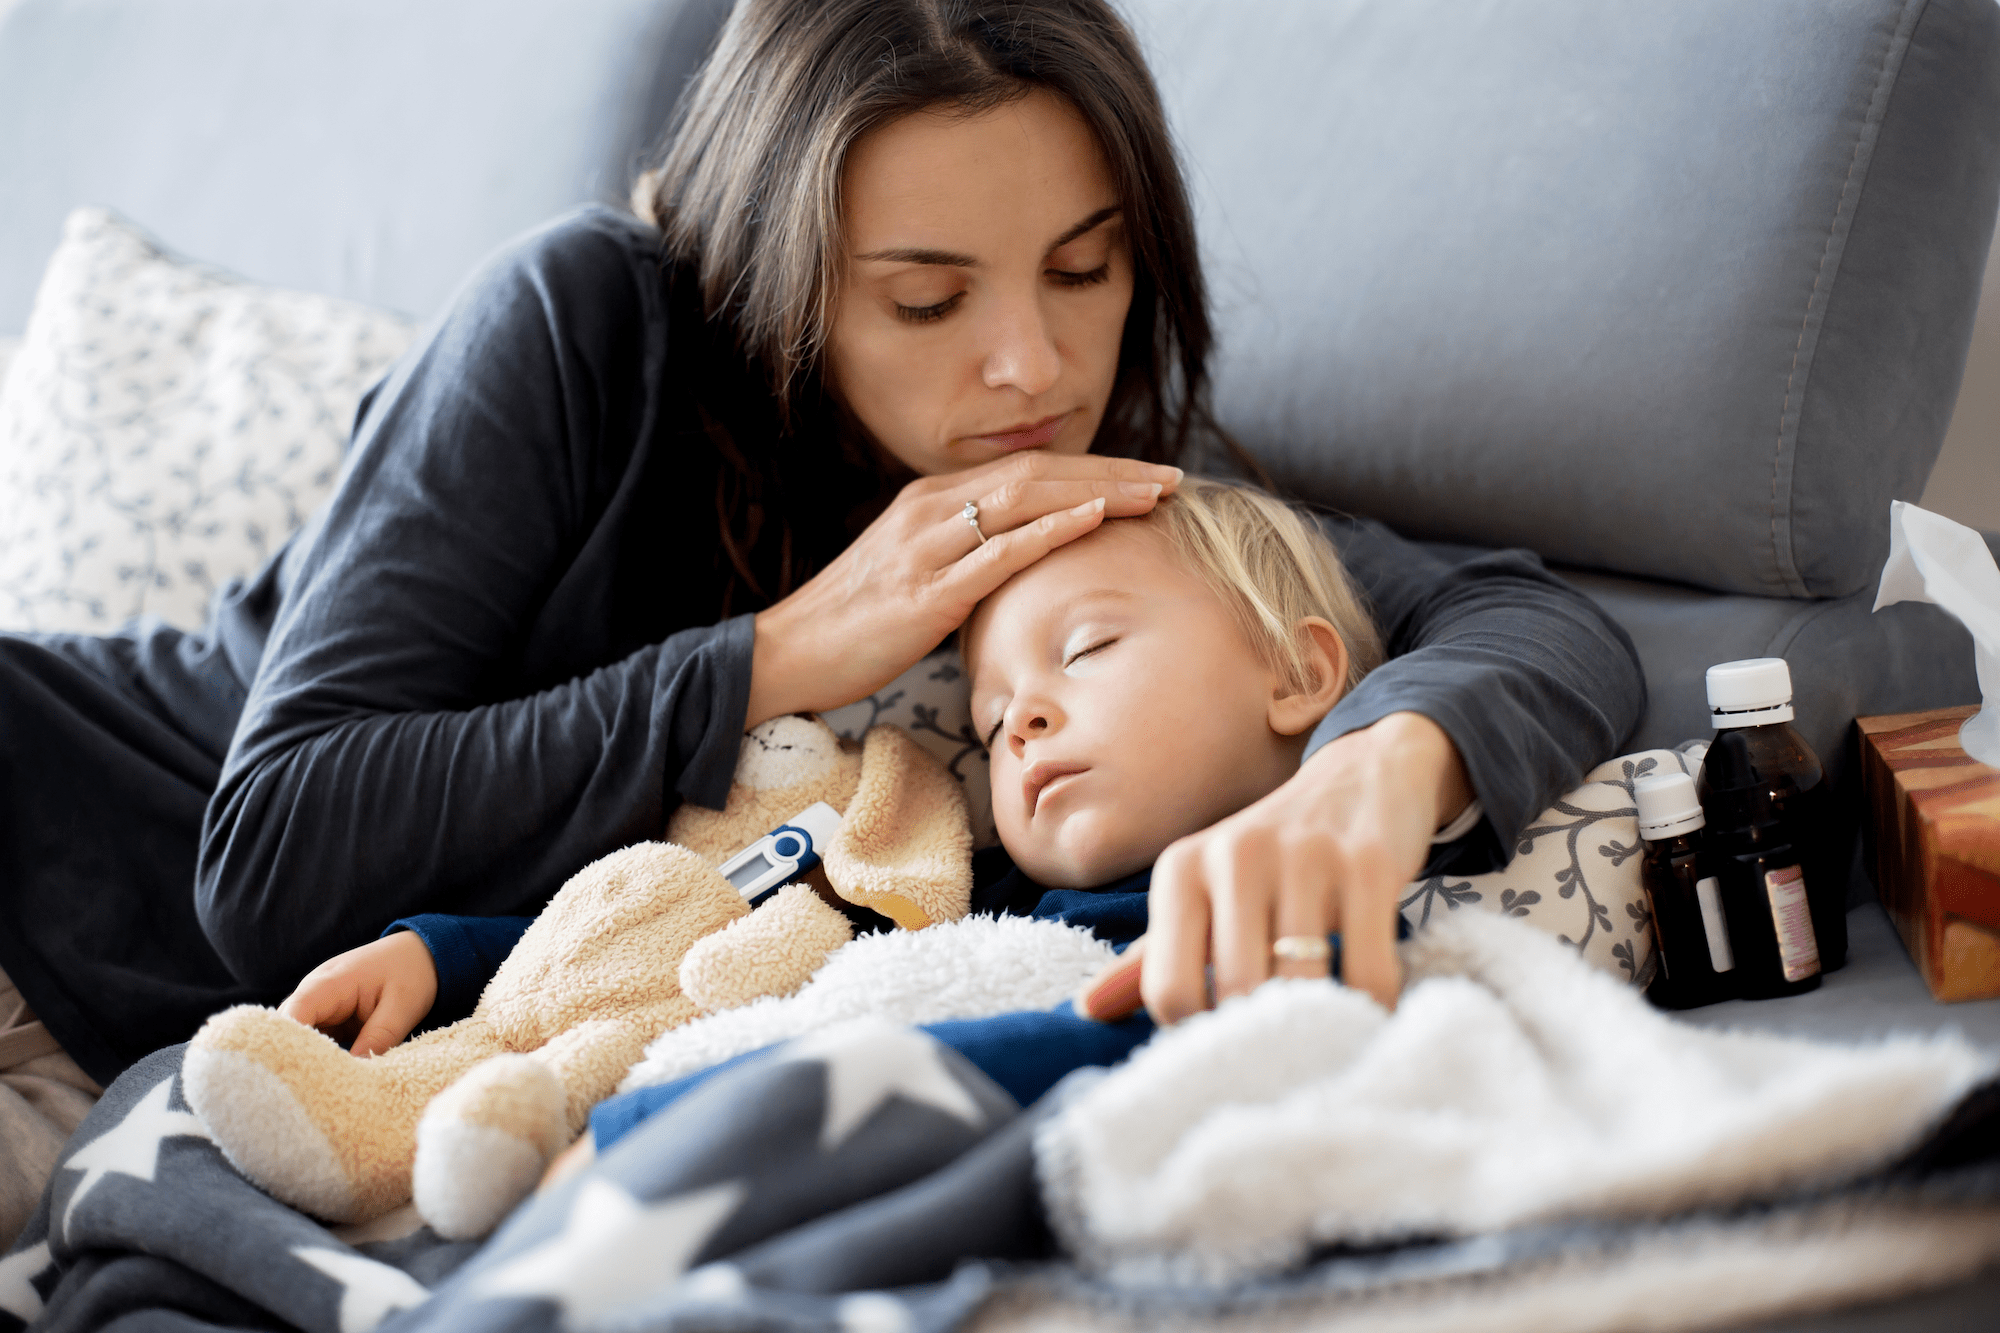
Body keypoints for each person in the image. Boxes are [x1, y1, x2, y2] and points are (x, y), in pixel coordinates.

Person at [0, 0, 1641, 1245]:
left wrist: (1371, 781)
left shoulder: (1073, 488)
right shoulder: (584, 320)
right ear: (778, 276)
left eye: (1087, 269)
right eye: (927, 301)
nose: (1034, 367)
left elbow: (1516, 615)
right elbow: (269, 850)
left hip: (190, 1064)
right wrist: (785, 652)